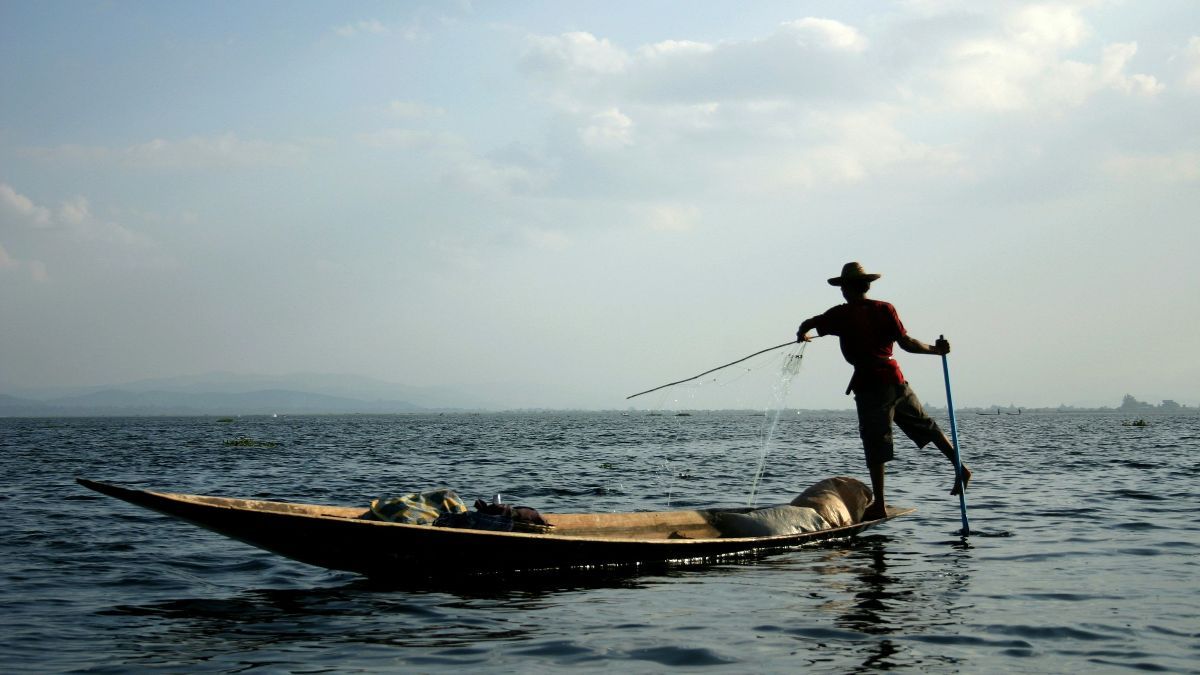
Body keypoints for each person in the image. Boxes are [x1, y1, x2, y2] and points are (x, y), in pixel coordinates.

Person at [796, 262, 971, 521]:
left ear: (845, 290)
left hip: (871, 386)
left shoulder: (841, 314)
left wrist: (803, 334)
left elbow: (808, 322)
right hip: (896, 380)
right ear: (866, 287)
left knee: (875, 442)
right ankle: (961, 467)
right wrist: (936, 351)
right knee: (927, 426)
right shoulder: (884, 309)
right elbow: (907, 343)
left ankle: (879, 503)